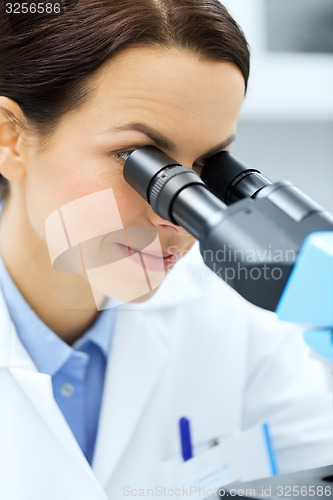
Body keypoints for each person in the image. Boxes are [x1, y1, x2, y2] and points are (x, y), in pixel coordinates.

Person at [0, 1, 332, 499]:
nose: (172, 215)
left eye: (205, 168)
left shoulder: (247, 326)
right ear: (10, 138)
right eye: (137, 159)